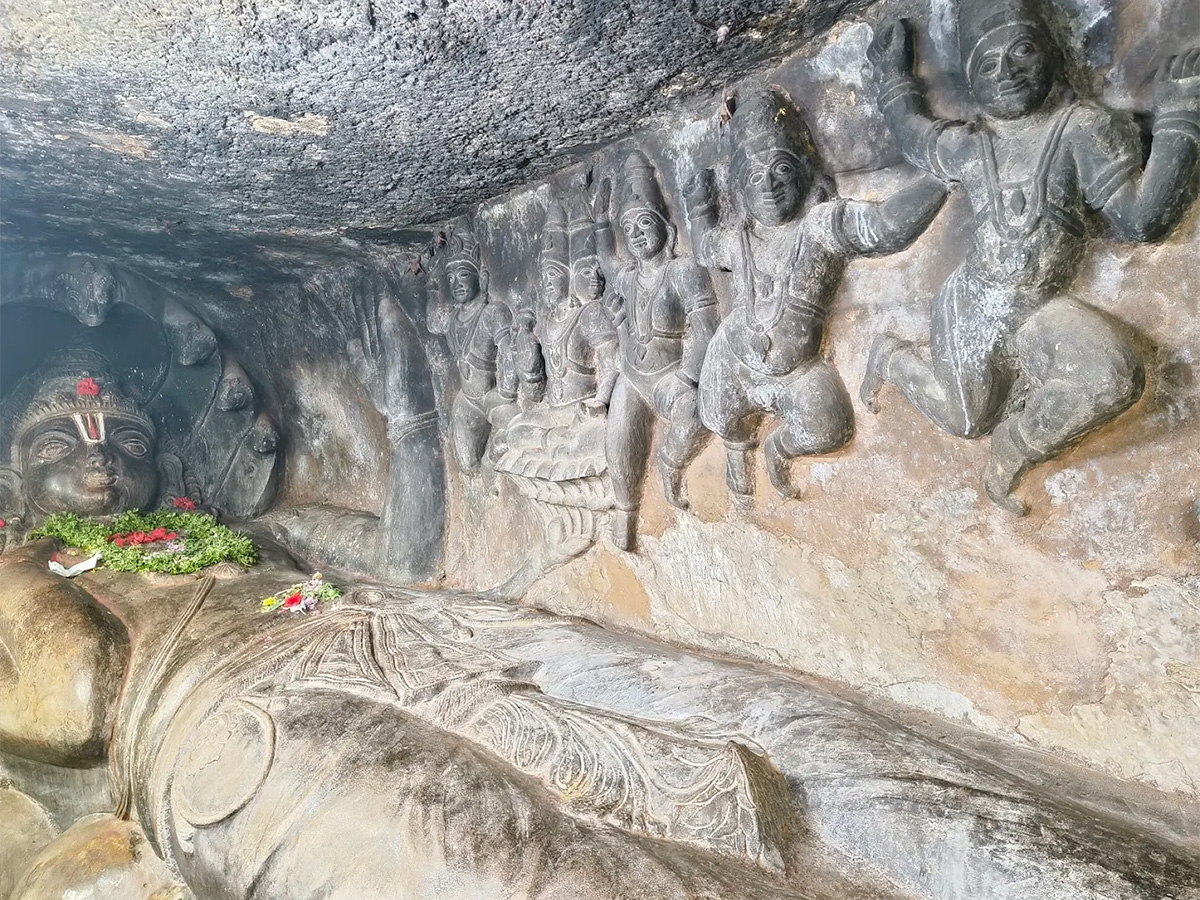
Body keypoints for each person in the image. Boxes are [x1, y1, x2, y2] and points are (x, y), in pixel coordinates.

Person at [859, 1, 1200, 513]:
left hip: (1039, 308)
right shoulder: (973, 145)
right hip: (974, 304)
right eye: (987, 65)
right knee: (964, 418)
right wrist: (891, 77)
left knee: (1111, 378)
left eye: (1022, 51)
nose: (1008, 72)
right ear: (973, 84)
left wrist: (1178, 120)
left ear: (1052, 56)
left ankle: (1012, 449)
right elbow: (913, 137)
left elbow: (1141, 220)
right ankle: (891, 357)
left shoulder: (1081, 128)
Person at [686, 89, 946, 499]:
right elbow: (703, 248)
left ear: (805, 174)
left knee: (830, 429)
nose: (769, 186)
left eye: (782, 170)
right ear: (739, 189)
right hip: (734, 358)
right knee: (717, 413)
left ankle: (780, 449)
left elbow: (884, 228)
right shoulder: (737, 239)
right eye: (754, 177)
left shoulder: (822, 227)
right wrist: (698, 204)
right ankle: (738, 451)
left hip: (798, 371)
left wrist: (941, 180)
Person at [595, 150, 720, 549]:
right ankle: (625, 513)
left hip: (670, 375)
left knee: (694, 413)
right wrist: (600, 221)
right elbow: (605, 258)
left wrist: (688, 377)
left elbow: (705, 326)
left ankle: (670, 465)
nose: (635, 234)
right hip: (633, 375)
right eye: (627, 228)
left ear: (666, 229)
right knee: (619, 442)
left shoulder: (682, 271)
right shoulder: (627, 277)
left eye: (644, 223)